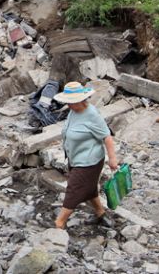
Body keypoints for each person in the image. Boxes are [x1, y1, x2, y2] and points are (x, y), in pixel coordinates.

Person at [53, 81, 118, 229]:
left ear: (81, 100)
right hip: (75, 158)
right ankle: (100, 213)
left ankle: (60, 222)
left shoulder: (92, 115)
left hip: (89, 162)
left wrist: (112, 159)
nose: (68, 105)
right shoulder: (73, 111)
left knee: (74, 191)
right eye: (68, 102)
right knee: (89, 188)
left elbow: (107, 137)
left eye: (71, 102)